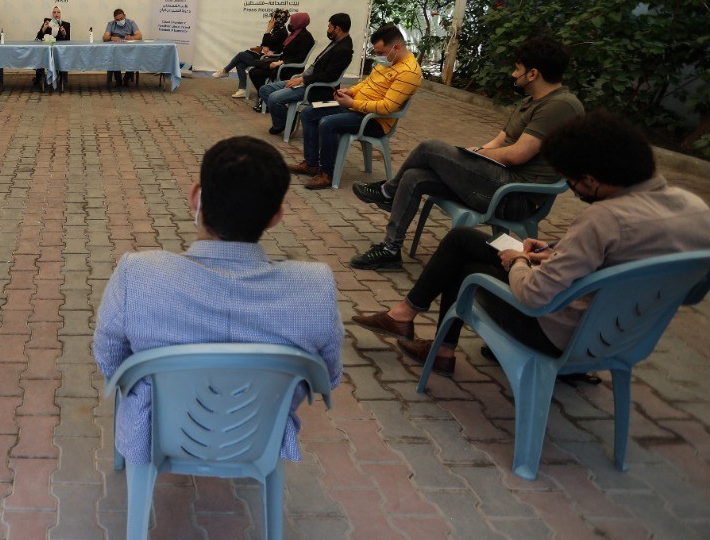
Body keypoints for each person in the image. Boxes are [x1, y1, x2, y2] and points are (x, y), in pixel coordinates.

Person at [351, 112, 710, 377]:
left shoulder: (606, 219)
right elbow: (691, 292)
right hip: (629, 338)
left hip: (561, 335)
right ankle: (409, 321)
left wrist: (517, 261)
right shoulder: (696, 210)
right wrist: (558, 252)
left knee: (467, 267)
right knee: (465, 239)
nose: (573, 190)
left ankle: (434, 344)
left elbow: (534, 296)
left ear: (591, 179)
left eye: (572, 183)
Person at [94, 136, 343, 467]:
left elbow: (110, 360)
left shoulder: (138, 274)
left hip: (156, 433)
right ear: (276, 216)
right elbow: (327, 378)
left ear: (196, 198)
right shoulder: (315, 288)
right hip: (258, 437)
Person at [350, 37, 584, 271]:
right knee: (414, 177)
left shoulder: (559, 106)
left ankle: (387, 192)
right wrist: (475, 153)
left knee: (429, 147)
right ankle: (390, 250)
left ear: (532, 74)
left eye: (517, 69)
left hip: (514, 195)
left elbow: (517, 155)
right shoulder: (531, 101)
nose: (513, 75)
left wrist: (478, 155)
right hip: (496, 180)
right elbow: (499, 140)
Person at [289, 24, 422, 190]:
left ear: (396, 47)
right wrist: (350, 91)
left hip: (374, 120)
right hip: (355, 108)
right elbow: (366, 83)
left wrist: (352, 103)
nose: (379, 57)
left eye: (381, 53)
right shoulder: (389, 61)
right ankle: (311, 164)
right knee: (309, 112)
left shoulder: (409, 72)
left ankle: (327, 174)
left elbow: (387, 107)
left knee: (327, 123)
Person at [257, 13, 354, 129]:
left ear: (337, 29)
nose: (328, 30)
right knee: (265, 90)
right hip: (306, 80)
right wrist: (302, 76)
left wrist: (303, 79)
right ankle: (288, 119)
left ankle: (282, 125)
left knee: (274, 98)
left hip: (315, 87)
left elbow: (329, 76)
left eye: (329, 27)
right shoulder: (336, 42)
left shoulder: (344, 49)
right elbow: (317, 63)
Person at [211, 9, 291, 98]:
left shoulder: (282, 32)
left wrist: (268, 29)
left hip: (269, 59)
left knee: (241, 55)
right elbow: (264, 44)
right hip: (265, 56)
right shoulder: (276, 30)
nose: (270, 20)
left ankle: (225, 71)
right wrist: (265, 44)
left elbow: (267, 44)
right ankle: (242, 89)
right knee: (240, 64)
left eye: (272, 18)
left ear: (278, 20)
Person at [245, 12, 316, 97]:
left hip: (289, 68)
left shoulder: (305, 37)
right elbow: (281, 49)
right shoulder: (295, 34)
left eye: (292, 22)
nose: (290, 24)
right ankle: (265, 95)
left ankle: (265, 96)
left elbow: (299, 59)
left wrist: (280, 62)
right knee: (254, 67)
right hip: (282, 62)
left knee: (255, 72)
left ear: (299, 22)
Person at [32, 5, 71, 88]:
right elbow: (39, 37)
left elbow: (67, 41)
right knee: (40, 56)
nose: (56, 14)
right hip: (47, 51)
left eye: (58, 12)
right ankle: (39, 79)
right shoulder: (47, 23)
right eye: (54, 12)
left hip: (59, 52)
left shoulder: (65, 25)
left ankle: (61, 79)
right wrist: (44, 28)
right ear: (51, 14)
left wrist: (64, 34)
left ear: (61, 14)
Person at [102, 8, 142, 87]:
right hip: (116, 50)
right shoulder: (111, 24)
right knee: (114, 59)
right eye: (117, 20)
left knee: (133, 58)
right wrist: (112, 38)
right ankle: (118, 80)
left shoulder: (131, 23)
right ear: (114, 19)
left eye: (121, 18)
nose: (120, 21)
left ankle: (126, 78)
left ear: (125, 16)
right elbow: (105, 37)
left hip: (129, 49)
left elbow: (139, 36)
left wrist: (131, 38)